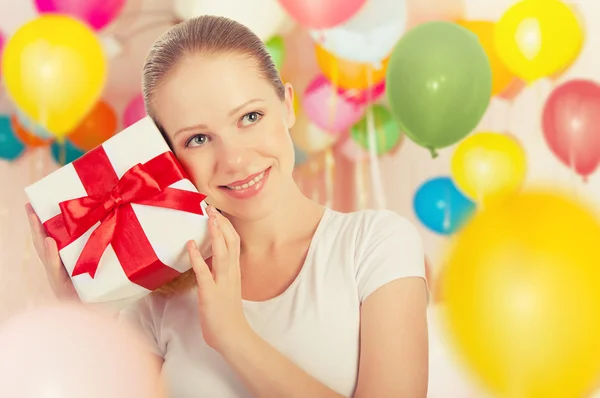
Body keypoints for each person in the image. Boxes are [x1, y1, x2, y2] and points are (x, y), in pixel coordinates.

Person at [26, 15, 429, 398]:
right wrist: (85, 324)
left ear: (286, 105)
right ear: (168, 157)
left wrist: (233, 336)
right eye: (198, 139)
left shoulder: (374, 245)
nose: (234, 160)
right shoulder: (156, 299)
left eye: (250, 116)